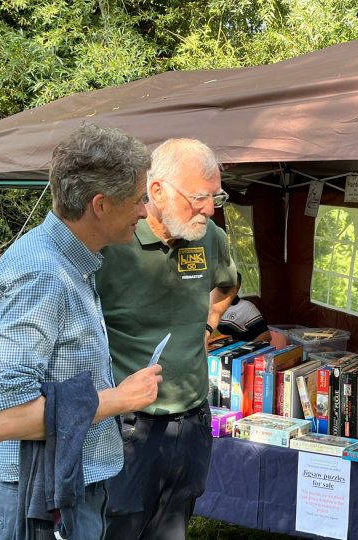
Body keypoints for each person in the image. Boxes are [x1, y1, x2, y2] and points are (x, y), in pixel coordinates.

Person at [0, 124, 163, 540]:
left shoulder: (68, 260)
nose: (145, 212)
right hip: (39, 504)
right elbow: (4, 419)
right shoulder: (44, 276)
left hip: (61, 492)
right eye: (138, 200)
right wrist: (120, 398)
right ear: (100, 204)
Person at [95, 138, 238, 540]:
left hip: (192, 418)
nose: (210, 209)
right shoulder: (112, 239)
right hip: (126, 427)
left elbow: (227, 286)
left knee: (173, 527)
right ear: (156, 190)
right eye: (199, 197)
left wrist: (208, 325)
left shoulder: (209, 237)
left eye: (216, 196)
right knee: (118, 527)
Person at [216, 271, 272, 342]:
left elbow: (265, 336)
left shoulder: (246, 307)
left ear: (237, 287)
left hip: (233, 351)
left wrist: (245, 350)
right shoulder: (209, 306)